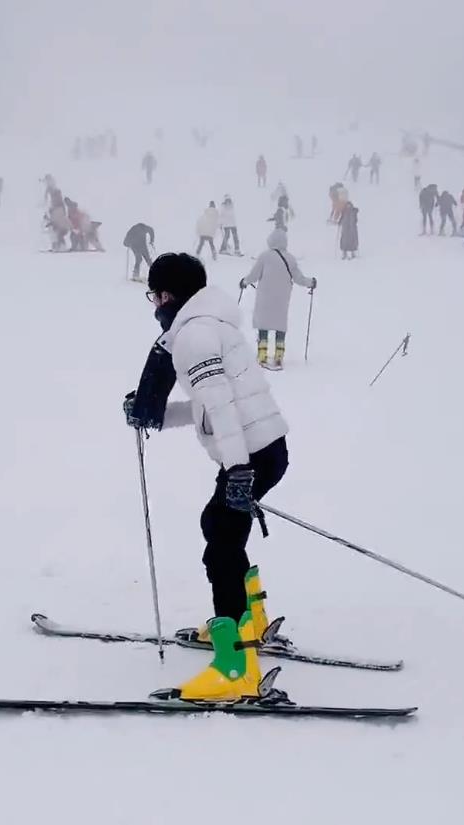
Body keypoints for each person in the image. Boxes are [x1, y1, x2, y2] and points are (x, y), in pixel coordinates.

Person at [123, 252, 291, 700]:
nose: (153, 304)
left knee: (219, 542)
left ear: (167, 294)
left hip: (250, 455)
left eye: (154, 295)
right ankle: (249, 621)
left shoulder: (193, 337)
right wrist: (157, 415)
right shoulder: (211, 324)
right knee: (221, 529)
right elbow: (209, 405)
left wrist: (238, 471)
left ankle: (235, 668)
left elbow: (220, 409)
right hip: (264, 448)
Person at [240, 228, 316, 370]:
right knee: (279, 325)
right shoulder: (290, 258)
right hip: (282, 298)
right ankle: (279, 356)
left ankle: (262, 355)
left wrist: (244, 282)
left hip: (265, 298)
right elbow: (299, 279)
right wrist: (311, 282)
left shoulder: (264, 257)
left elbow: (254, 276)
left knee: (264, 325)